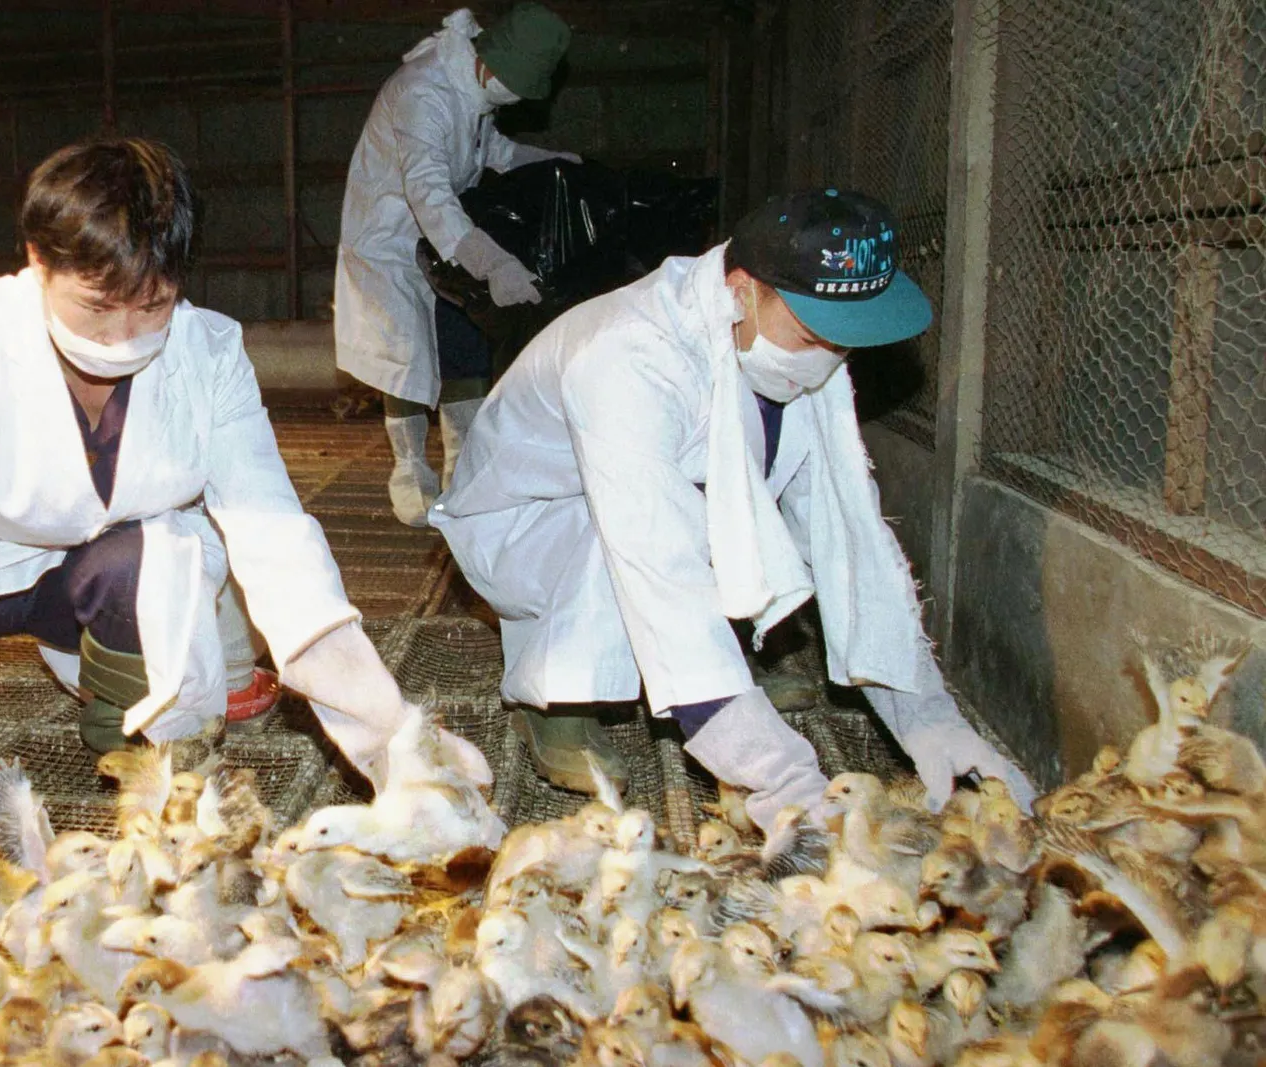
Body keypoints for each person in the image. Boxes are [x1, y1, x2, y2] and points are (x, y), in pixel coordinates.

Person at [0, 138, 489, 950]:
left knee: (169, 564)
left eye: (151, 304)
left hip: (107, 574)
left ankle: (139, 752)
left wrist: (393, 732)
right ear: (37, 261)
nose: (123, 335)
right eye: (96, 305)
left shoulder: (209, 353)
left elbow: (275, 536)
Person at [430, 189, 1034, 821]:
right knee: (648, 528)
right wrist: (775, 775)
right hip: (532, 521)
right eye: (810, 336)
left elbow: (846, 544)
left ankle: (723, 683)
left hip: (647, 502)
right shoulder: (627, 357)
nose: (828, 363)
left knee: (730, 492)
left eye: (844, 344)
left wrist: (930, 719)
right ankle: (556, 698)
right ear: (742, 288)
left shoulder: (786, 353)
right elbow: (659, 564)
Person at [335, 3, 578, 527]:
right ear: (490, 61)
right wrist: (493, 264)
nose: (513, 96)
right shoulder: (421, 92)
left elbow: (493, 151)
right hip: (391, 241)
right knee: (405, 360)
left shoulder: (472, 91)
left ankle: (462, 475)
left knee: (461, 342)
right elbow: (429, 194)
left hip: (447, 237)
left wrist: (553, 160)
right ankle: (411, 473)